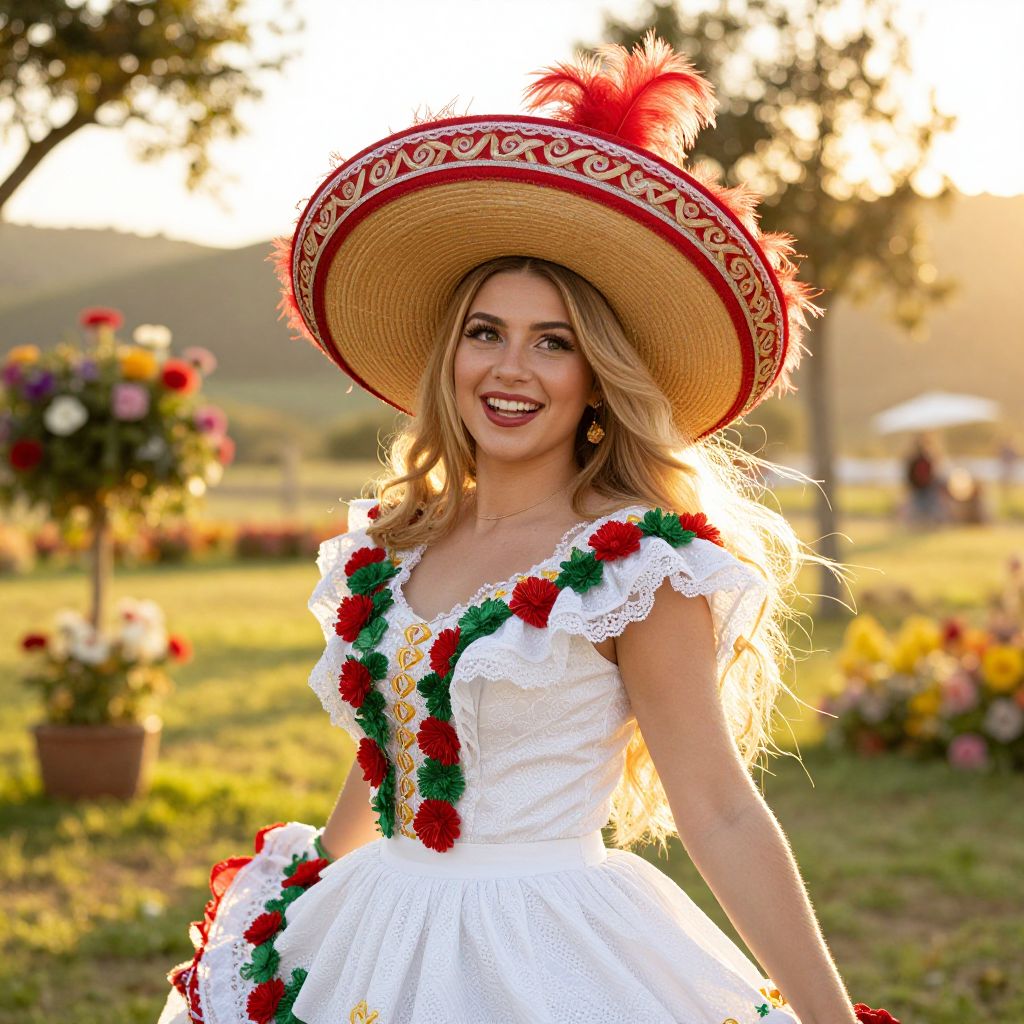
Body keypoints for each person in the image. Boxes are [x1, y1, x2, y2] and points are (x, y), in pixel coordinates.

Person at [157, 34, 897, 1024]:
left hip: (549, 948)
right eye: (484, 332)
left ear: (594, 379)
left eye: (553, 343)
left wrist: (833, 1020)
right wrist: (306, 894)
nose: (512, 369)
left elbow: (717, 806)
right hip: (378, 927)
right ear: (449, 356)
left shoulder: (637, 564)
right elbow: (388, 756)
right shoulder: (395, 542)